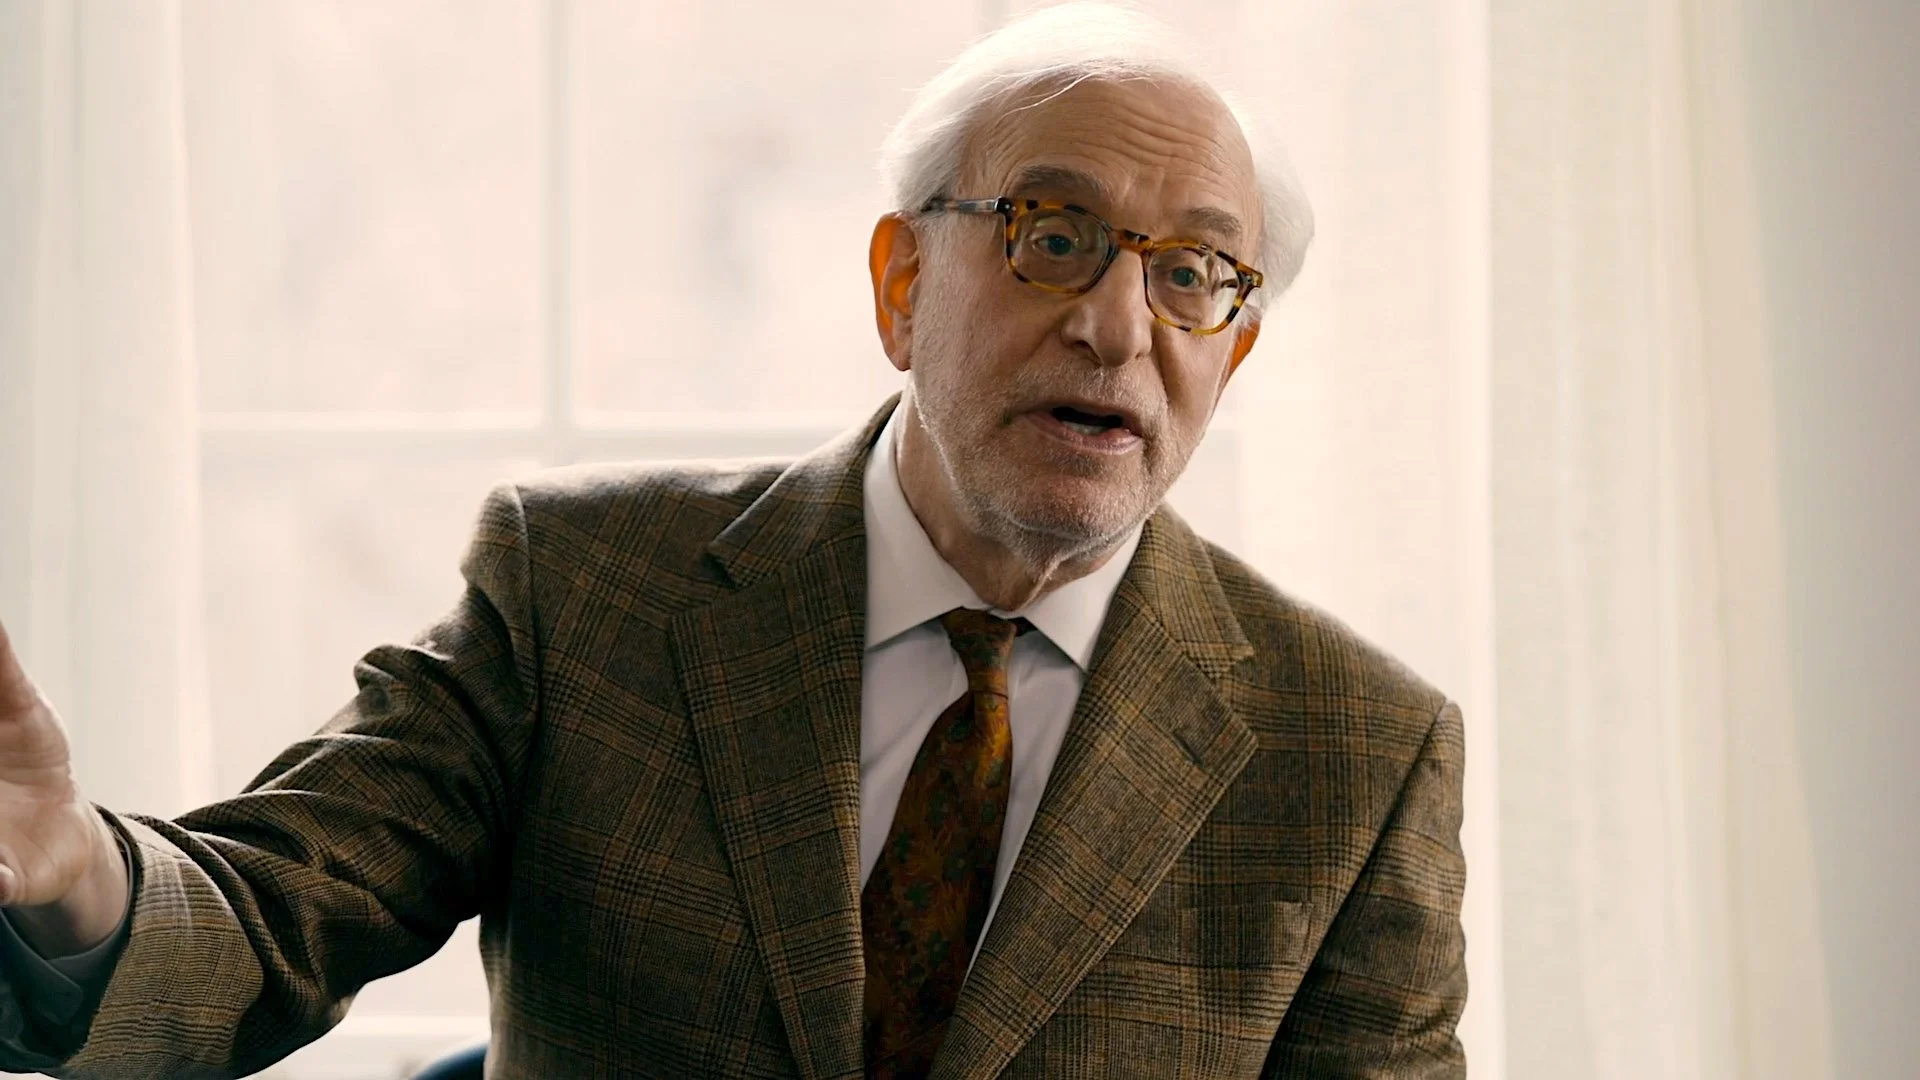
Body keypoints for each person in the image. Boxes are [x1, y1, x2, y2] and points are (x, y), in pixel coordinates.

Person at [0, 4, 1467, 1077]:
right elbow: (273, 912)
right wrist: (66, 869)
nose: (1114, 323)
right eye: (1051, 234)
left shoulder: (1354, 752)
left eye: (1196, 274)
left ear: (1236, 351)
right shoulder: (582, 592)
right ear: (900, 284)